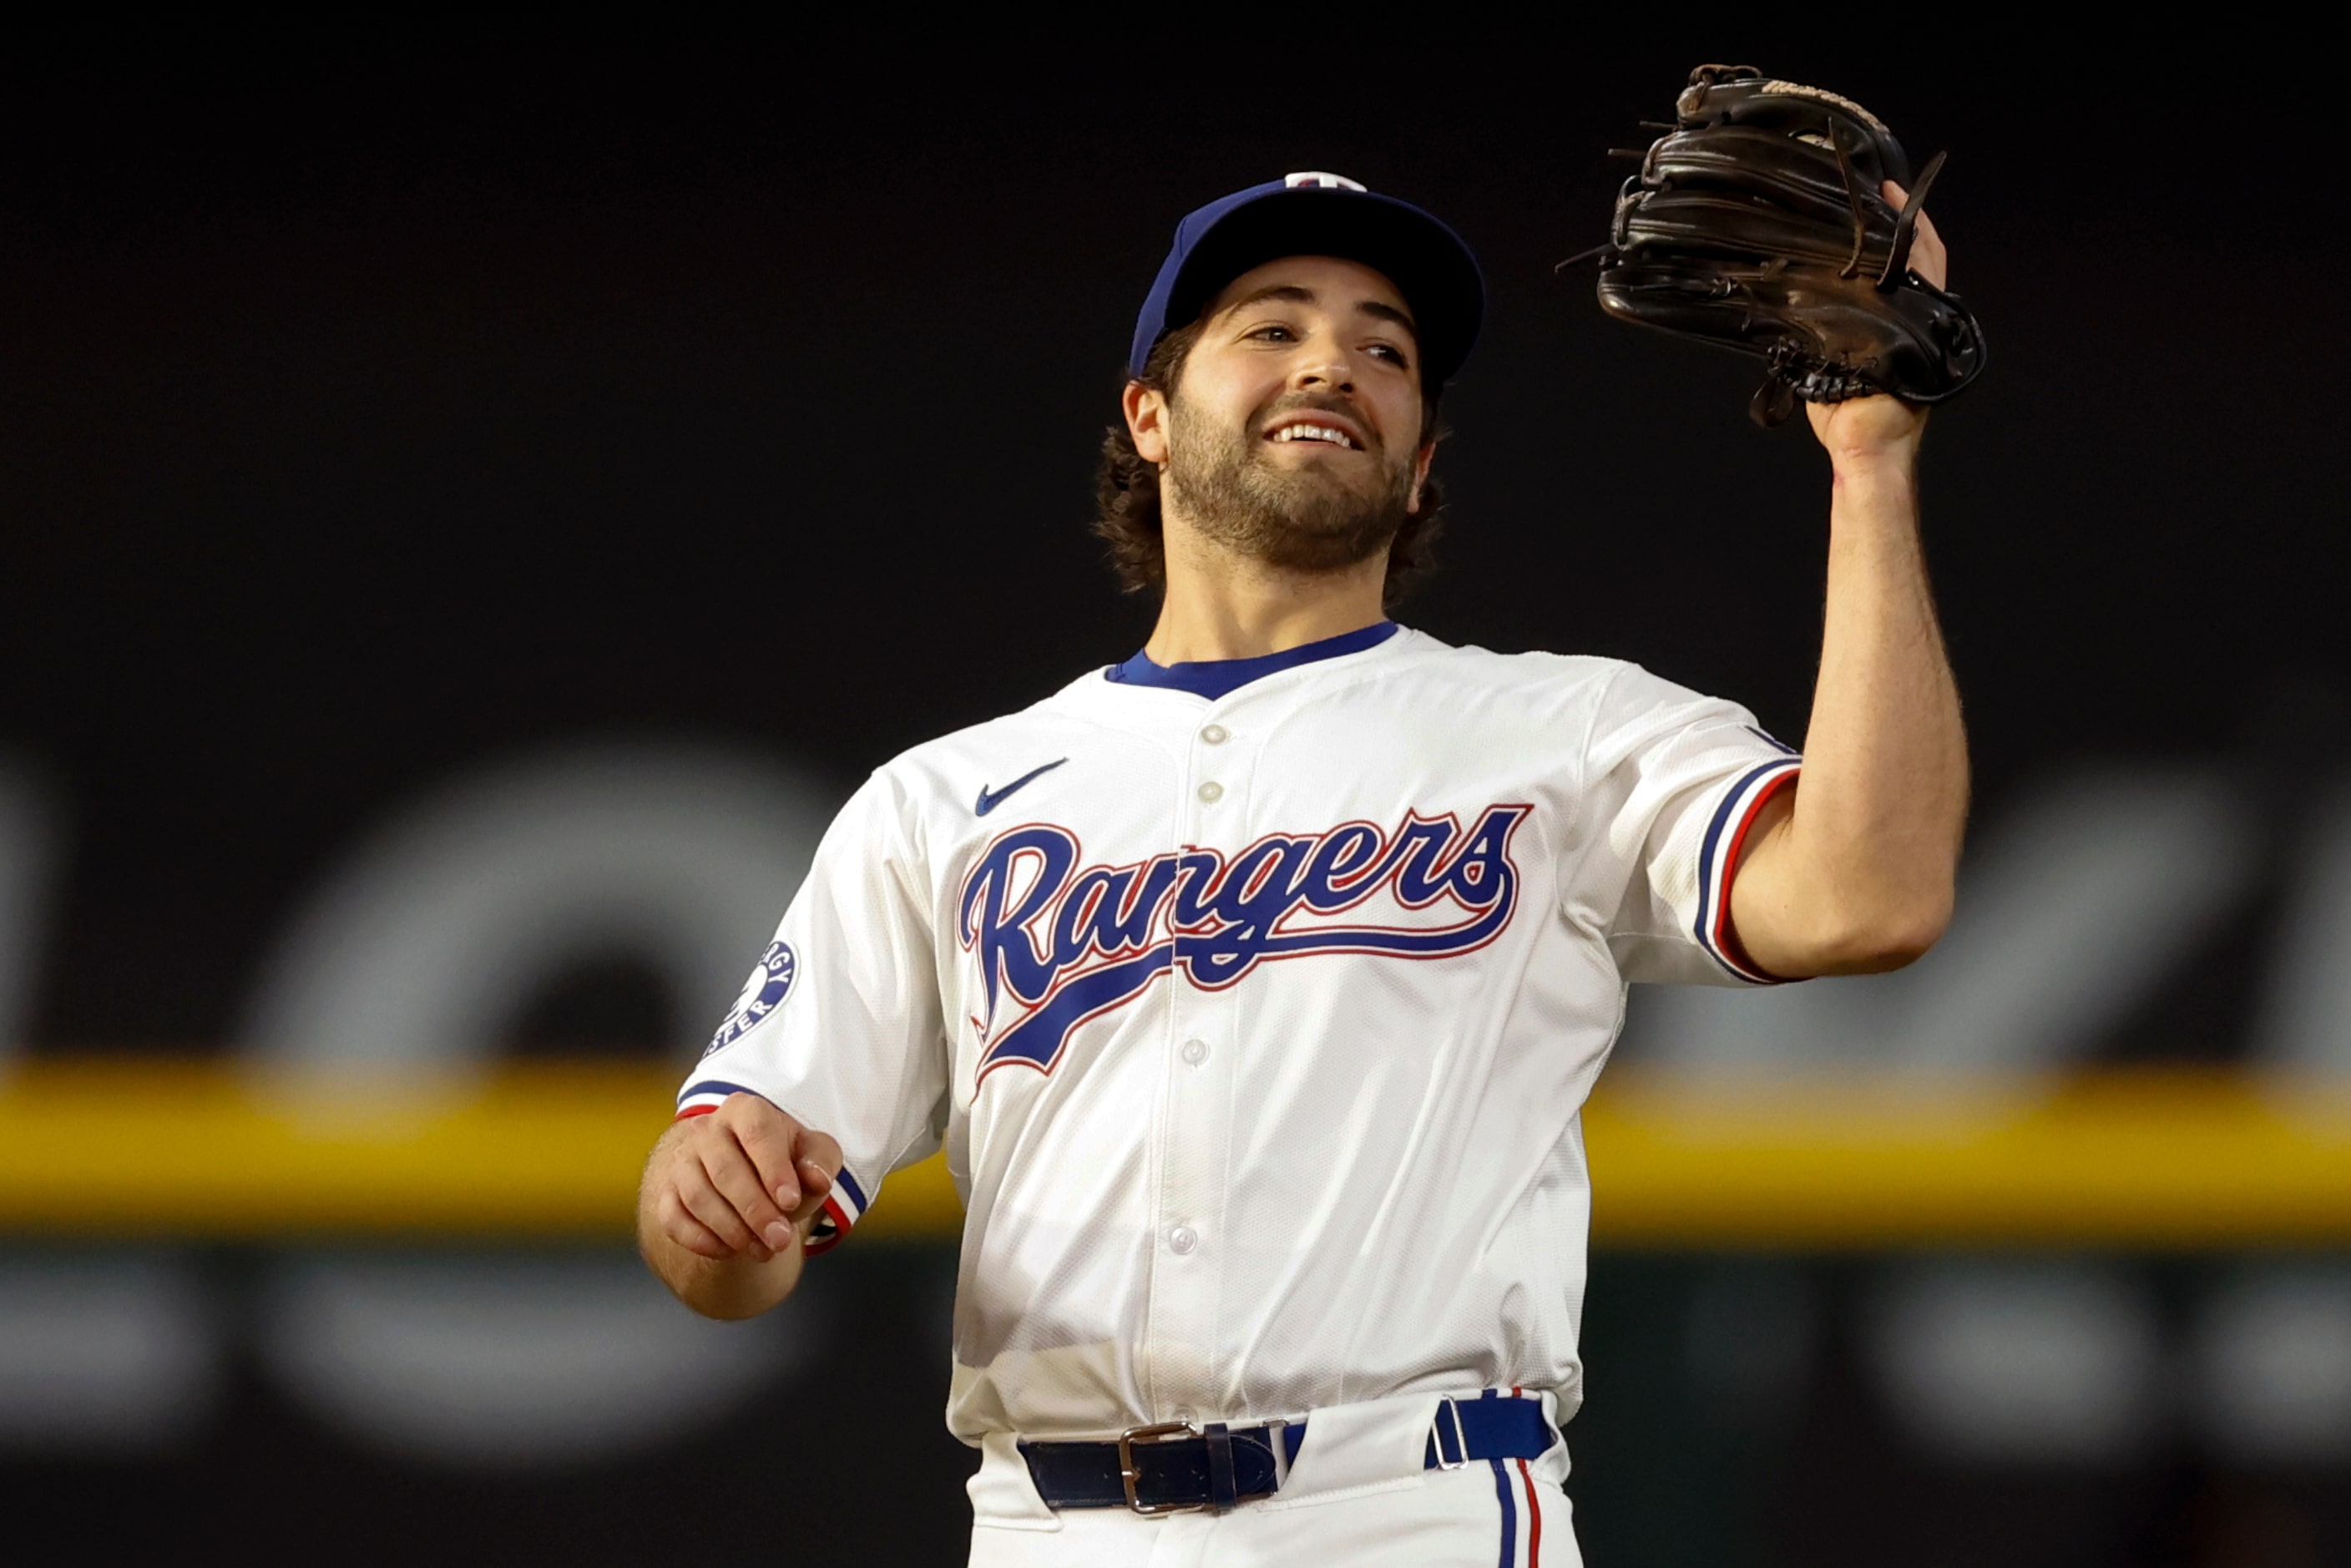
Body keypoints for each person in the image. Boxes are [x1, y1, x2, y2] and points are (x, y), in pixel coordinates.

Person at [636, 171, 1966, 1565]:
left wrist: (1869, 464)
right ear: (1148, 417)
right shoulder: (943, 799)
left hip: (1413, 1506)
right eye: (1271, 327)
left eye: (1386, 349)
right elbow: (729, 1249)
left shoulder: (1562, 731)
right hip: (1051, 1524)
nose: (1334, 359)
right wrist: (705, 1205)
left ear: (1423, 458)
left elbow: (1871, 893)